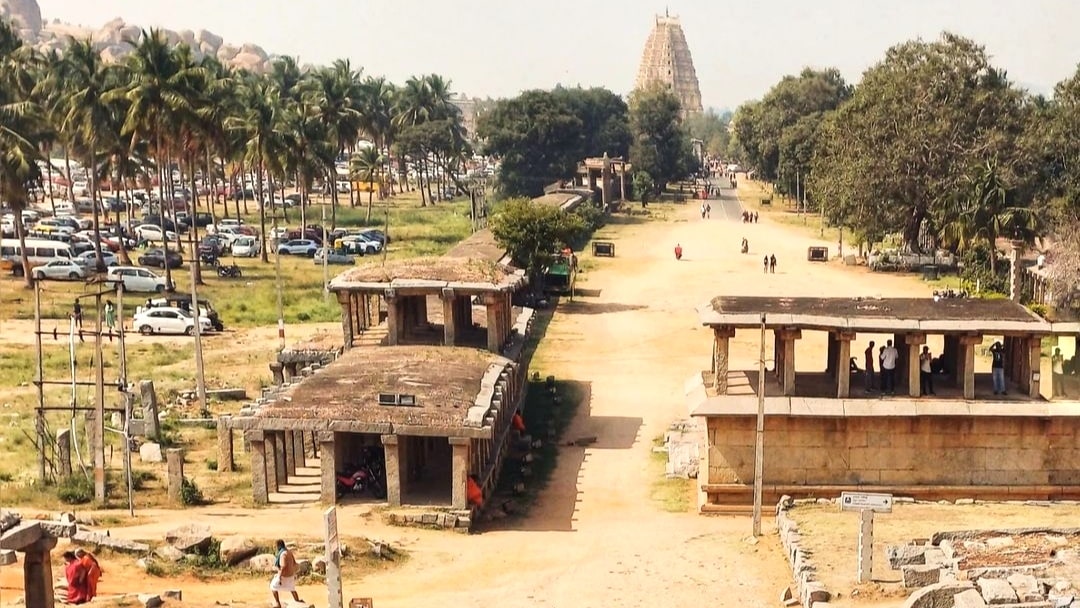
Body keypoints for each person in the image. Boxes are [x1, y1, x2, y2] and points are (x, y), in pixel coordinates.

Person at [270, 539, 302, 608]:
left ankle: (277, 603)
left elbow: (283, 566)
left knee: (273, 586)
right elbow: (294, 563)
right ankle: (297, 601)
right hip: (291, 575)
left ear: (278, 546)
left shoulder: (282, 554)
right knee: (292, 589)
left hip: (284, 576)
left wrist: (279, 577)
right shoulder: (289, 552)